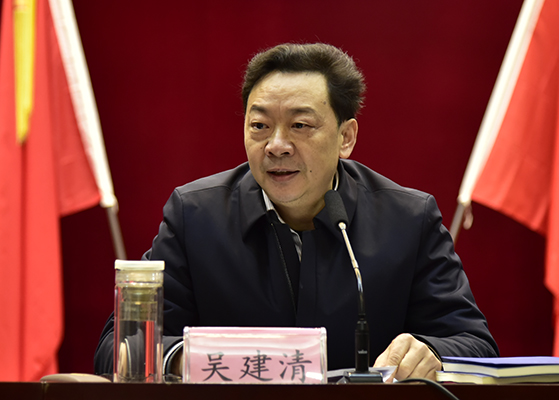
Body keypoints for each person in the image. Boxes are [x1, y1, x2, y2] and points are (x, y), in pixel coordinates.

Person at [95, 43, 498, 382]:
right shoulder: (196, 216)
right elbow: (119, 348)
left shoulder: (407, 220)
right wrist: (193, 359)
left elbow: (476, 344)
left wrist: (430, 352)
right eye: (259, 126)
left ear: (346, 137)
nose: (276, 145)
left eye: (300, 125)